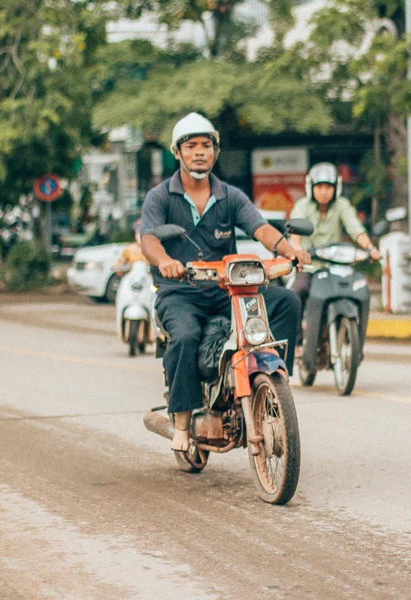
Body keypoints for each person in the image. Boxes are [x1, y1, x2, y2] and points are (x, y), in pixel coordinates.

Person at [139, 113, 311, 453]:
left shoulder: (230, 195)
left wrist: (288, 249)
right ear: (178, 152)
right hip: (180, 292)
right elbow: (149, 240)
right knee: (185, 336)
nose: (199, 152)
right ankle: (184, 420)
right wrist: (166, 262)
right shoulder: (160, 197)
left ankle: (274, 384)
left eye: (206, 146)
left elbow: (259, 227)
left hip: (226, 290)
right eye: (191, 146)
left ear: (216, 152)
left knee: (286, 302)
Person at [289, 162, 381, 305]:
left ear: (336, 188)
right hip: (308, 265)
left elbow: (355, 228)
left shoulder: (342, 205)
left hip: (336, 267)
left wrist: (370, 248)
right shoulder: (303, 206)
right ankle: (297, 327)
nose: (324, 192)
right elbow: (295, 228)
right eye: (319, 187)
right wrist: (296, 248)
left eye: (328, 187)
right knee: (297, 293)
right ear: (311, 187)